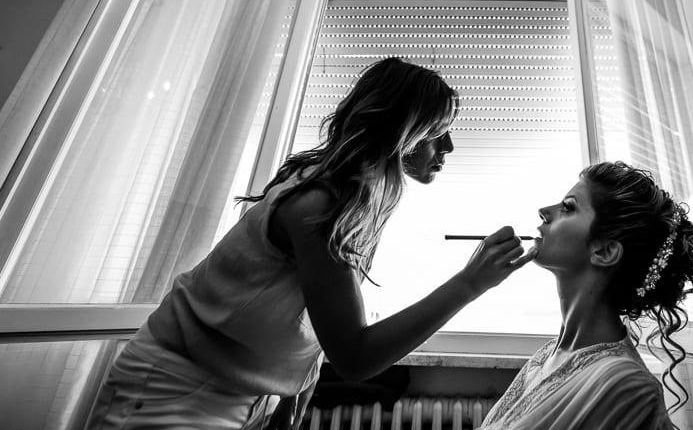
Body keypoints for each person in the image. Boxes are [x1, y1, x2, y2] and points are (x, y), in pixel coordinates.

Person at [87, 57, 536, 430]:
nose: (450, 147)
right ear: (399, 130)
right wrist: (471, 283)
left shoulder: (356, 198)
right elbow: (355, 356)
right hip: (173, 391)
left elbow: (310, 315)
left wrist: (288, 393)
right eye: (438, 131)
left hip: (239, 392)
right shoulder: (319, 204)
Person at [479, 161, 693, 430]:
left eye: (568, 207)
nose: (543, 212)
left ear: (605, 252)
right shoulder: (547, 355)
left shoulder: (627, 386)